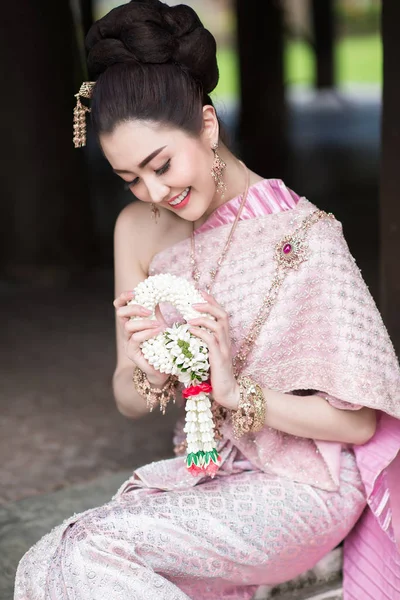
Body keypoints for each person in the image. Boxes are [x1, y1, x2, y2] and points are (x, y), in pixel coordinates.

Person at [15, 1, 400, 598]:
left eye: (161, 164)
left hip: (306, 485)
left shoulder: (302, 236)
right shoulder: (137, 230)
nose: (155, 192)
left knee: (89, 552)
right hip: (203, 474)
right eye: (130, 180)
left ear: (208, 124)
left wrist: (234, 392)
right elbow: (126, 395)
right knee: (50, 561)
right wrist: (149, 370)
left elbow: (359, 422)